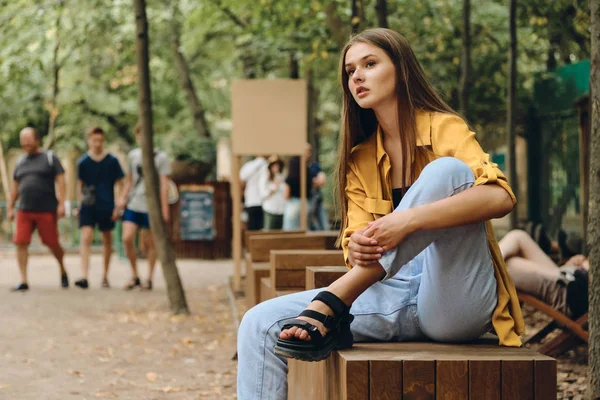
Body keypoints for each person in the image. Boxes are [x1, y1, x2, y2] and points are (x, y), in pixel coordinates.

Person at [237, 28, 524, 399]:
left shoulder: (443, 127)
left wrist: (406, 220)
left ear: (402, 70)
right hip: (391, 293)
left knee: (446, 172)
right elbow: (354, 242)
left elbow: (501, 198)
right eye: (350, 70)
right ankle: (335, 303)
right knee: (257, 322)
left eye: (369, 64)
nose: (356, 76)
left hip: (453, 301)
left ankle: (334, 301)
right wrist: (356, 246)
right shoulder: (359, 158)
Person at [8, 127, 69, 291]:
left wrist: (62, 203)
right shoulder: (20, 162)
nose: (26, 145)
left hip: (46, 209)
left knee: (52, 242)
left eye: (28, 141)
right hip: (24, 209)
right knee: (20, 242)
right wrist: (10, 207)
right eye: (23, 142)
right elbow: (15, 186)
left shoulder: (49, 158)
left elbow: (61, 181)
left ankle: (63, 269)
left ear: (37, 140)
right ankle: (23, 280)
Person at [117, 123, 171, 291]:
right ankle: (135, 275)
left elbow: (164, 185)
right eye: (140, 135)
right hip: (134, 203)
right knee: (127, 238)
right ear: (137, 137)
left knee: (150, 243)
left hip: (151, 206)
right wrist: (122, 197)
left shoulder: (161, 157)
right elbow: (130, 180)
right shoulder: (133, 155)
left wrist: (164, 209)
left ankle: (149, 278)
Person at [73, 127, 125, 289]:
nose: (97, 143)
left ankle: (105, 275)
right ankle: (84, 276)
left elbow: (121, 184)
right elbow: (79, 185)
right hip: (88, 204)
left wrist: (118, 205)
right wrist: (78, 205)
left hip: (107, 204)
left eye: (100, 140)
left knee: (106, 239)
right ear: (89, 140)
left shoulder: (112, 161)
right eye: (94, 140)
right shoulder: (83, 162)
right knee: (86, 237)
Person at [499, 229, 588, 319]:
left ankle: (487, 267)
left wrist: (586, 266)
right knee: (518, 236)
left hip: (567, 292)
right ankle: (489, 263)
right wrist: (583, 262)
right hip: (568, 276)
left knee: (506, 266)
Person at [282, 145, 316, 230]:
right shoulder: (304, 167)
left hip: (294, 202)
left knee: (290, 231)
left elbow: (288, 184)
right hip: (305, 203)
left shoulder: (295, 164)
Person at [240, 156, 268, 231]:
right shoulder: (268, 165)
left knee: (251, 230)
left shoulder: (248, 166)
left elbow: (241, 182)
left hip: (251, 201)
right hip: (265, 202)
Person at [259, 156, 286, 230]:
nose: (276, 167)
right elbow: (263, 194)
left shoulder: (281, 177)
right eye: (274, 165)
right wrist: (274, 187)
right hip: (270, 209)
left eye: (278, 165)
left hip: (281, 210)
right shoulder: (265, 178)